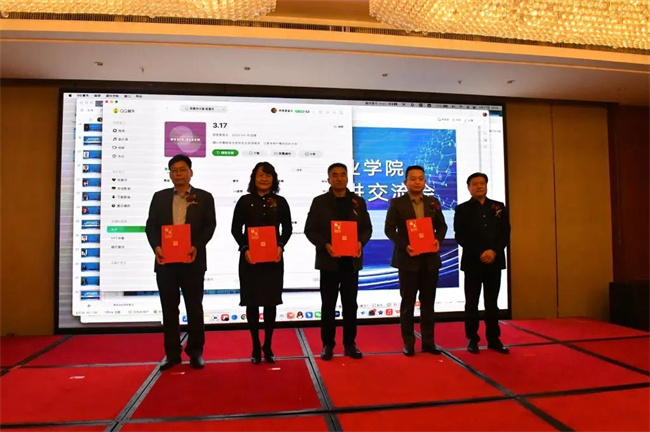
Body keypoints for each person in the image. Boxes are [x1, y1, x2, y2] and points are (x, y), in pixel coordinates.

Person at [145, 154, 216, 370]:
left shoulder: (204, 197)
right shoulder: (159, 197)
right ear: (169, 174)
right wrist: (157, 247)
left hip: (192, 261)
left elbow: (209, 226)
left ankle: (196, 352)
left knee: (194, 308)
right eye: (174, 170)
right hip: (165, 262)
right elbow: (151, 226)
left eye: (183, 169)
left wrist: (197, 246)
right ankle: (172, 354)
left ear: (190, 172)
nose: (179, 174)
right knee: (169, 309)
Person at [305, 163, 372, 360]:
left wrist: (360, 242)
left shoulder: (358, 202)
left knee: (350, 305)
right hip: (329, 262)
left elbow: (366, 228)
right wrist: (325, 244)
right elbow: (310, 229)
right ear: (329, 179)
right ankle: (328, 344)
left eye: (343, 174)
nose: (339, 178)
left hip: (351, 263)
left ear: (347, 178)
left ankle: (350, 343)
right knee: (328, 305)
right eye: (335, 175)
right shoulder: (319, 202)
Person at [231, 162, 292, 364]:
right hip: (250, 259)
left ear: (274, 179)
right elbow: (235, 229)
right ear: (253, 178)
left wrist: (280, 246)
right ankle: (256, 346)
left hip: (273, 259)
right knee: (252, 303)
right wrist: (244, 249)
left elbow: (287, 229)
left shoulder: (281, 202)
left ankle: (268, 345)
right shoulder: (244, 201)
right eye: (260, 175)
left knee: (270, 303)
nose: (264, 179)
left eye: (268, 175)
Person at [384, 165, 448, 356]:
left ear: (425, 182)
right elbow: (389, 229)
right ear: (405, 182)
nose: (417, 182)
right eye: (413, 179)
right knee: (407, 304)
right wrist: (405, 246)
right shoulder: (397, 203)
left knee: (428, 304)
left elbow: (442, 227)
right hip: (407, 260)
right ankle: (408, 343)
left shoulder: (433, 202)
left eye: (420, 178)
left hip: (430, 261)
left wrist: (438, 240)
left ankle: (429, 342)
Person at [454, 172, 511, 354]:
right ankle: (473, 339)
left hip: (494, 261)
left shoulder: (498, 207)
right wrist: (480, 252)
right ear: (468, 187)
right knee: (471, 303)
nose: (479, 186)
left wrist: (493, 251)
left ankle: (494, 339)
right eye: (475, 184)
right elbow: (460, 235)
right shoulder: (462, 209)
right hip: (473, 262)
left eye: (482, 183)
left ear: (486, 185)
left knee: (492, 303)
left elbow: (505, 232)